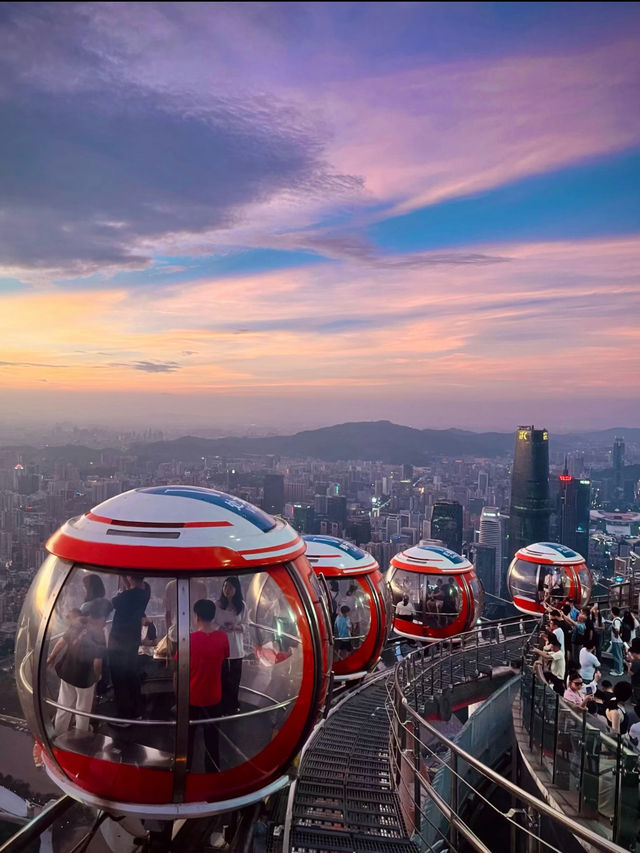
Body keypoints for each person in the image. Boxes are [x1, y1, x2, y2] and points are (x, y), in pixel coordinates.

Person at [46, 608, 105, 734]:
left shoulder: (77, 626)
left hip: (67, 672)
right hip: (84, 678)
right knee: (82, 709)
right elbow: (97, 661)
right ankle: (81, 736)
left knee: (63, 706)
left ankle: (59, 733)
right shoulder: (98, 635)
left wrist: (51, 657)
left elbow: (61, 643)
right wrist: (97, 676)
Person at [187, 599, 229, 772]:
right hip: (214, 697)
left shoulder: (189, 640)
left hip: (192, 696)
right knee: (212, 739)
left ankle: (185, 768)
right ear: (212, 617)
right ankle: (212, 773)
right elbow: (225, 660)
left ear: (196, 617)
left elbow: (179, 669)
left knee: (188, 737)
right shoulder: (222, 637)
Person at [108, 575, 150, 722]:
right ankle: (136, 711)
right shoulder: (145, 592)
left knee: (119, 679)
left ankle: (124, 715)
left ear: (129, 577)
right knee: (131, 676)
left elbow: (111, 604)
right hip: (132, 641)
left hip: (119, 643)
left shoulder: (126, 596)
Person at [217, 577, 246, 715]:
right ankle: (222, 705)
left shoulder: (242, 606)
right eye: (225, 586)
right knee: (222, 677)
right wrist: (220, 628)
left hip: (236, 647)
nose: (227, 590)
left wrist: (235, 627)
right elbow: (211, 623)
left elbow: (246, 625)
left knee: (235, 678)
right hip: (221, 647)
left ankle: (233, 705)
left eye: (230, 587)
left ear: (236, 589)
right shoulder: (217, 605)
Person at [609, 607, 625, 676]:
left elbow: (617, 630)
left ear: (613, 612)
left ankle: (618, 671)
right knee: (619, 655)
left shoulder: (616, 620)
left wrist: (615, 636)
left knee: (617, 655)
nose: (610, 612)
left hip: (617, 641)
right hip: (618, 641)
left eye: (611, 611)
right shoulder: (618, 619)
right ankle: (618, 668)